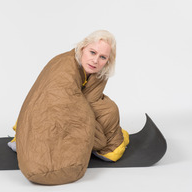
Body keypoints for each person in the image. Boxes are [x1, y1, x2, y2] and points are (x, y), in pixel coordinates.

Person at [8, 30, 129, 185]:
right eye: (92, 52)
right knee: (73, 115)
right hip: (48, 111)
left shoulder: (97, 74)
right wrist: (99, 136)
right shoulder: (64, 65)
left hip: (73, 107)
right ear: (82, 48)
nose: (95, 60)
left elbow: (91, 100)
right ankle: (26, 139)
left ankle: (106, 144)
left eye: (102, 57)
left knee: (108, 109)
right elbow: (60, 101)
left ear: (108, 61)